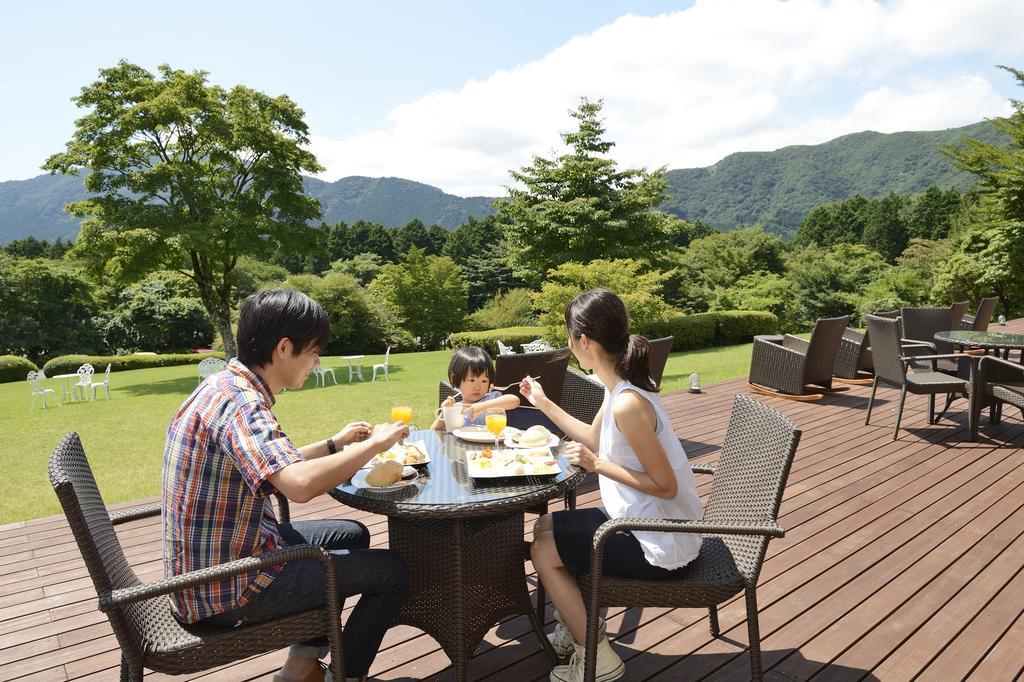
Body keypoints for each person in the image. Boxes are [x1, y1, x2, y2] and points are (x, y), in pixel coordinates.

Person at [162, 289, 409, 682]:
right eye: (313, 351)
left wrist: (335, 443)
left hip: (213, 560)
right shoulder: (244, 406)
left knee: (352, 533)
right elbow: (297, 485)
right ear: (283, 348)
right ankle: (345, 676)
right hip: (222, 587)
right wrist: (377, 444)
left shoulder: (224, 387)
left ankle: (301, 667)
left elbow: (275, 464)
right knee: (392, 571)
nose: (316, 361)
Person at [520, 289, 703, 682]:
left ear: (584, 341)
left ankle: (596, 656)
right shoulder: (616, 387)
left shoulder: (627, 403)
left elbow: (665, 485)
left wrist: (598, 464)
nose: (569, 346)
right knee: (543, 526)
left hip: (659, 541)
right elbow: (590, 437)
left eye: (570, 337)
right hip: (639, 521)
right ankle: (579, 623)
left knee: (543, 550)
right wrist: (543, 402)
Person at [430, 345, 520, 429]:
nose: (478, 387)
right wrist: (444, 412)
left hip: (490, 443)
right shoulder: (456, 408)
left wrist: (482, 406)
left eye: (484, 381)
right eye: (472, 380)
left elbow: (514, 400)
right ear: (454, 379)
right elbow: (435, 430)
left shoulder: (492, 399)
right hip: (463, 445)